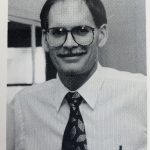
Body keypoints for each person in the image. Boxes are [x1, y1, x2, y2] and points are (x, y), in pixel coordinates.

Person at [7, 0, 146, 149]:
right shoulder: (22, 107)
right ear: (45, 39)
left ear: (102, 35)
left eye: (81, 30)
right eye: (58, 32)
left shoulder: (142, 95)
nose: (69, 44)